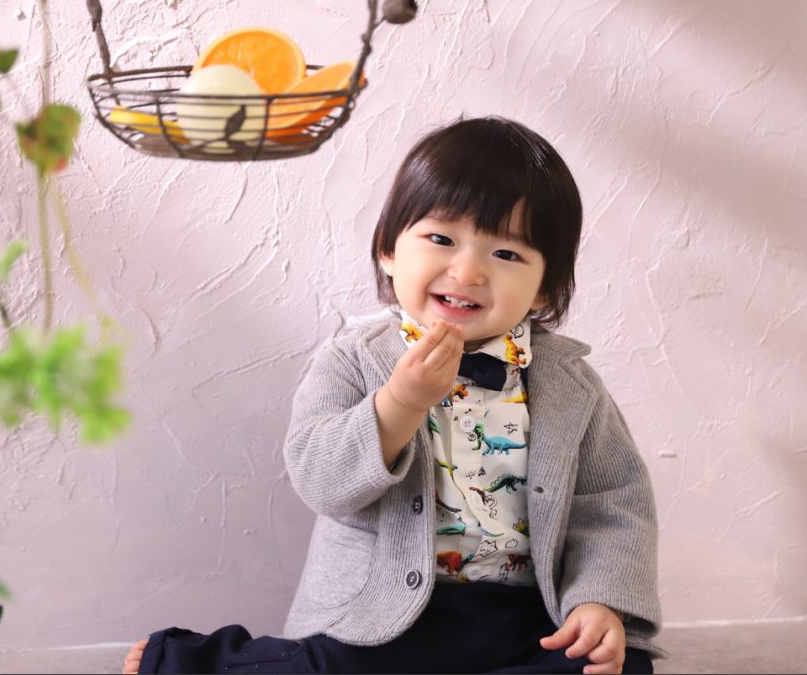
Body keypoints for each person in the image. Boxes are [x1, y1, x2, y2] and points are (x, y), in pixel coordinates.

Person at [123, 117, 663, 674]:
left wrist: (598, 601)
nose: (468, 271)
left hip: (524, 619)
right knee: (325, 669)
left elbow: (613, 503)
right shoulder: (351, 359)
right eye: (442, 239)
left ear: (545, 287)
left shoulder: (571, 384)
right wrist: (400, 404)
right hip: (382, 617)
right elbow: (319, 479)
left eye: (506, 254)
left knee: (614, 668)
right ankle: (202, 661)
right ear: (388, 249)